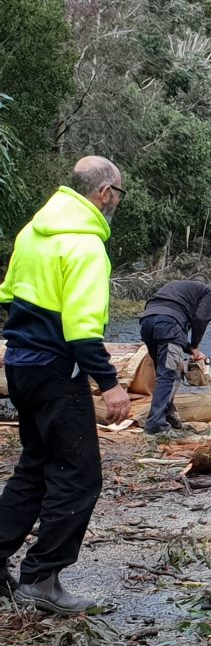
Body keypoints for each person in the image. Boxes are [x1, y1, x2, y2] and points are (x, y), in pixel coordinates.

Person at [0, 155, 132, 614]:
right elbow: (81, 329)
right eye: (118, 192)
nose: (117, 200)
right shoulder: (86, 246)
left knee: (35, 467)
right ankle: (41, 577)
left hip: (19, 365)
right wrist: (110, 385)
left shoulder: (32, 233)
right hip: (58, 371)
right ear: (104, 193)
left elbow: (7, 295)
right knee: (79, 478)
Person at [138, 280, 211, 435]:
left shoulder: (175, 288)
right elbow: (201, 318)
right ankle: (155, 423)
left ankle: (166, 415)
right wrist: (195, 345)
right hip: (169, 325)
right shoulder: (208, 293)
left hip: (147, 323)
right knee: (169, 375)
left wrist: (190, 349)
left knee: (164, 372)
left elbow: (164, 323)